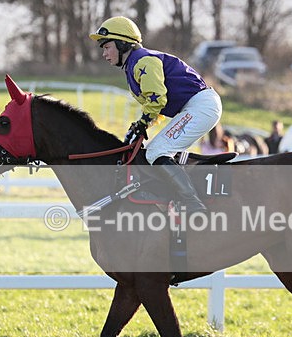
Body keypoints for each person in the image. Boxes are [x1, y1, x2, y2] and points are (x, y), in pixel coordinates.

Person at [90, 16, 222, 213]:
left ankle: (193, 203)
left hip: (201, 106)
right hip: (196, 106)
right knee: (156, 150)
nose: (104, 54)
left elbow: (157, 99)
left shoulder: (142, 62)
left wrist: (143, 122)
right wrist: (143, 124)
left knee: (157, 152)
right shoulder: (134, 64)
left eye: (107, 47)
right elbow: (156, 106)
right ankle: (178, 197)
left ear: (122, 43)